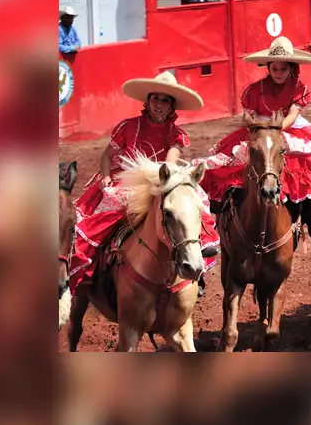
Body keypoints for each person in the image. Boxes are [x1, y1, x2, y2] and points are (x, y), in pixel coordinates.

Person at [72, 72, 219, 297]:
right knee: (103, 216)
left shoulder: (176, 134)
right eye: (156, 99)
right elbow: (106, 156)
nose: (159, 105)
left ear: (172, 107)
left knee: (194, 204)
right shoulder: (128, 127)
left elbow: (168, 165)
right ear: (147, 101)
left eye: (166, 100)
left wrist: (161, 181)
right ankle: (93, 266)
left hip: (162, 180)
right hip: (127, 179)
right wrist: (105, 176)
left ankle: (198, 259)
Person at [197, 37, 311, 239]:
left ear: (292, 68)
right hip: (259, 129)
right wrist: (259, 126)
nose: (278, 73)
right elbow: (248, 116)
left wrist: (275, 128)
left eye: (283, 69)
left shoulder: (299, 87)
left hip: (289, 128)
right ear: (268, 67)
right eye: (275, 69)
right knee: (230, 163)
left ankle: (310, 210)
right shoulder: (254, 89)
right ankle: (228, 209)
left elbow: (292, 116)